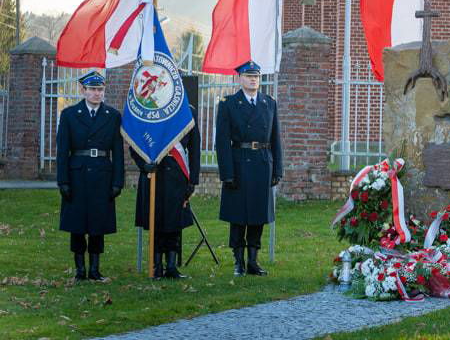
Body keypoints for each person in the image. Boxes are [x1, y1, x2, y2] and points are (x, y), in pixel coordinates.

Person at [215, 61, 282, 276]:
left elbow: (276, 139)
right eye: (249, 76)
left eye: (256, 76)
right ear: (240, 78)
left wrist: (277, 169)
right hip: (238, 163)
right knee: (238, 215)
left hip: (262, 163)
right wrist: (227, 173)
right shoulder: (228, 104)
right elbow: (222, 142)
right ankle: (238, 261)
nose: (253, 80)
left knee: (258, 214)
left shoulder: (269, 103)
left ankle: (253, 260)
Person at [56, 71, 124, 281]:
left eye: (100, 89)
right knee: (77, 225)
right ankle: (80, 270)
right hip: (77, 175)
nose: (97, 93)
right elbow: (62, 151)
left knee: (98, 224)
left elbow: (118, 152)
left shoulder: (112, 116)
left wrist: (117, 181)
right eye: (93, 89)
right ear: (83, 90)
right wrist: (63, 180)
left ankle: (94, 270)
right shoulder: (69, 115)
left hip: (102, 175)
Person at [130, 105, 201, 279]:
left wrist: (193, 180)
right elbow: (134, 141)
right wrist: (143, 165)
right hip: (154, 172)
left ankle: (171, 266)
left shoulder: (188, 111)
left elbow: (195, 148)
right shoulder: (148, 110)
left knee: (174, 221)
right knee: (156, 220)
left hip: (177, 173)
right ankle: (156, 266)